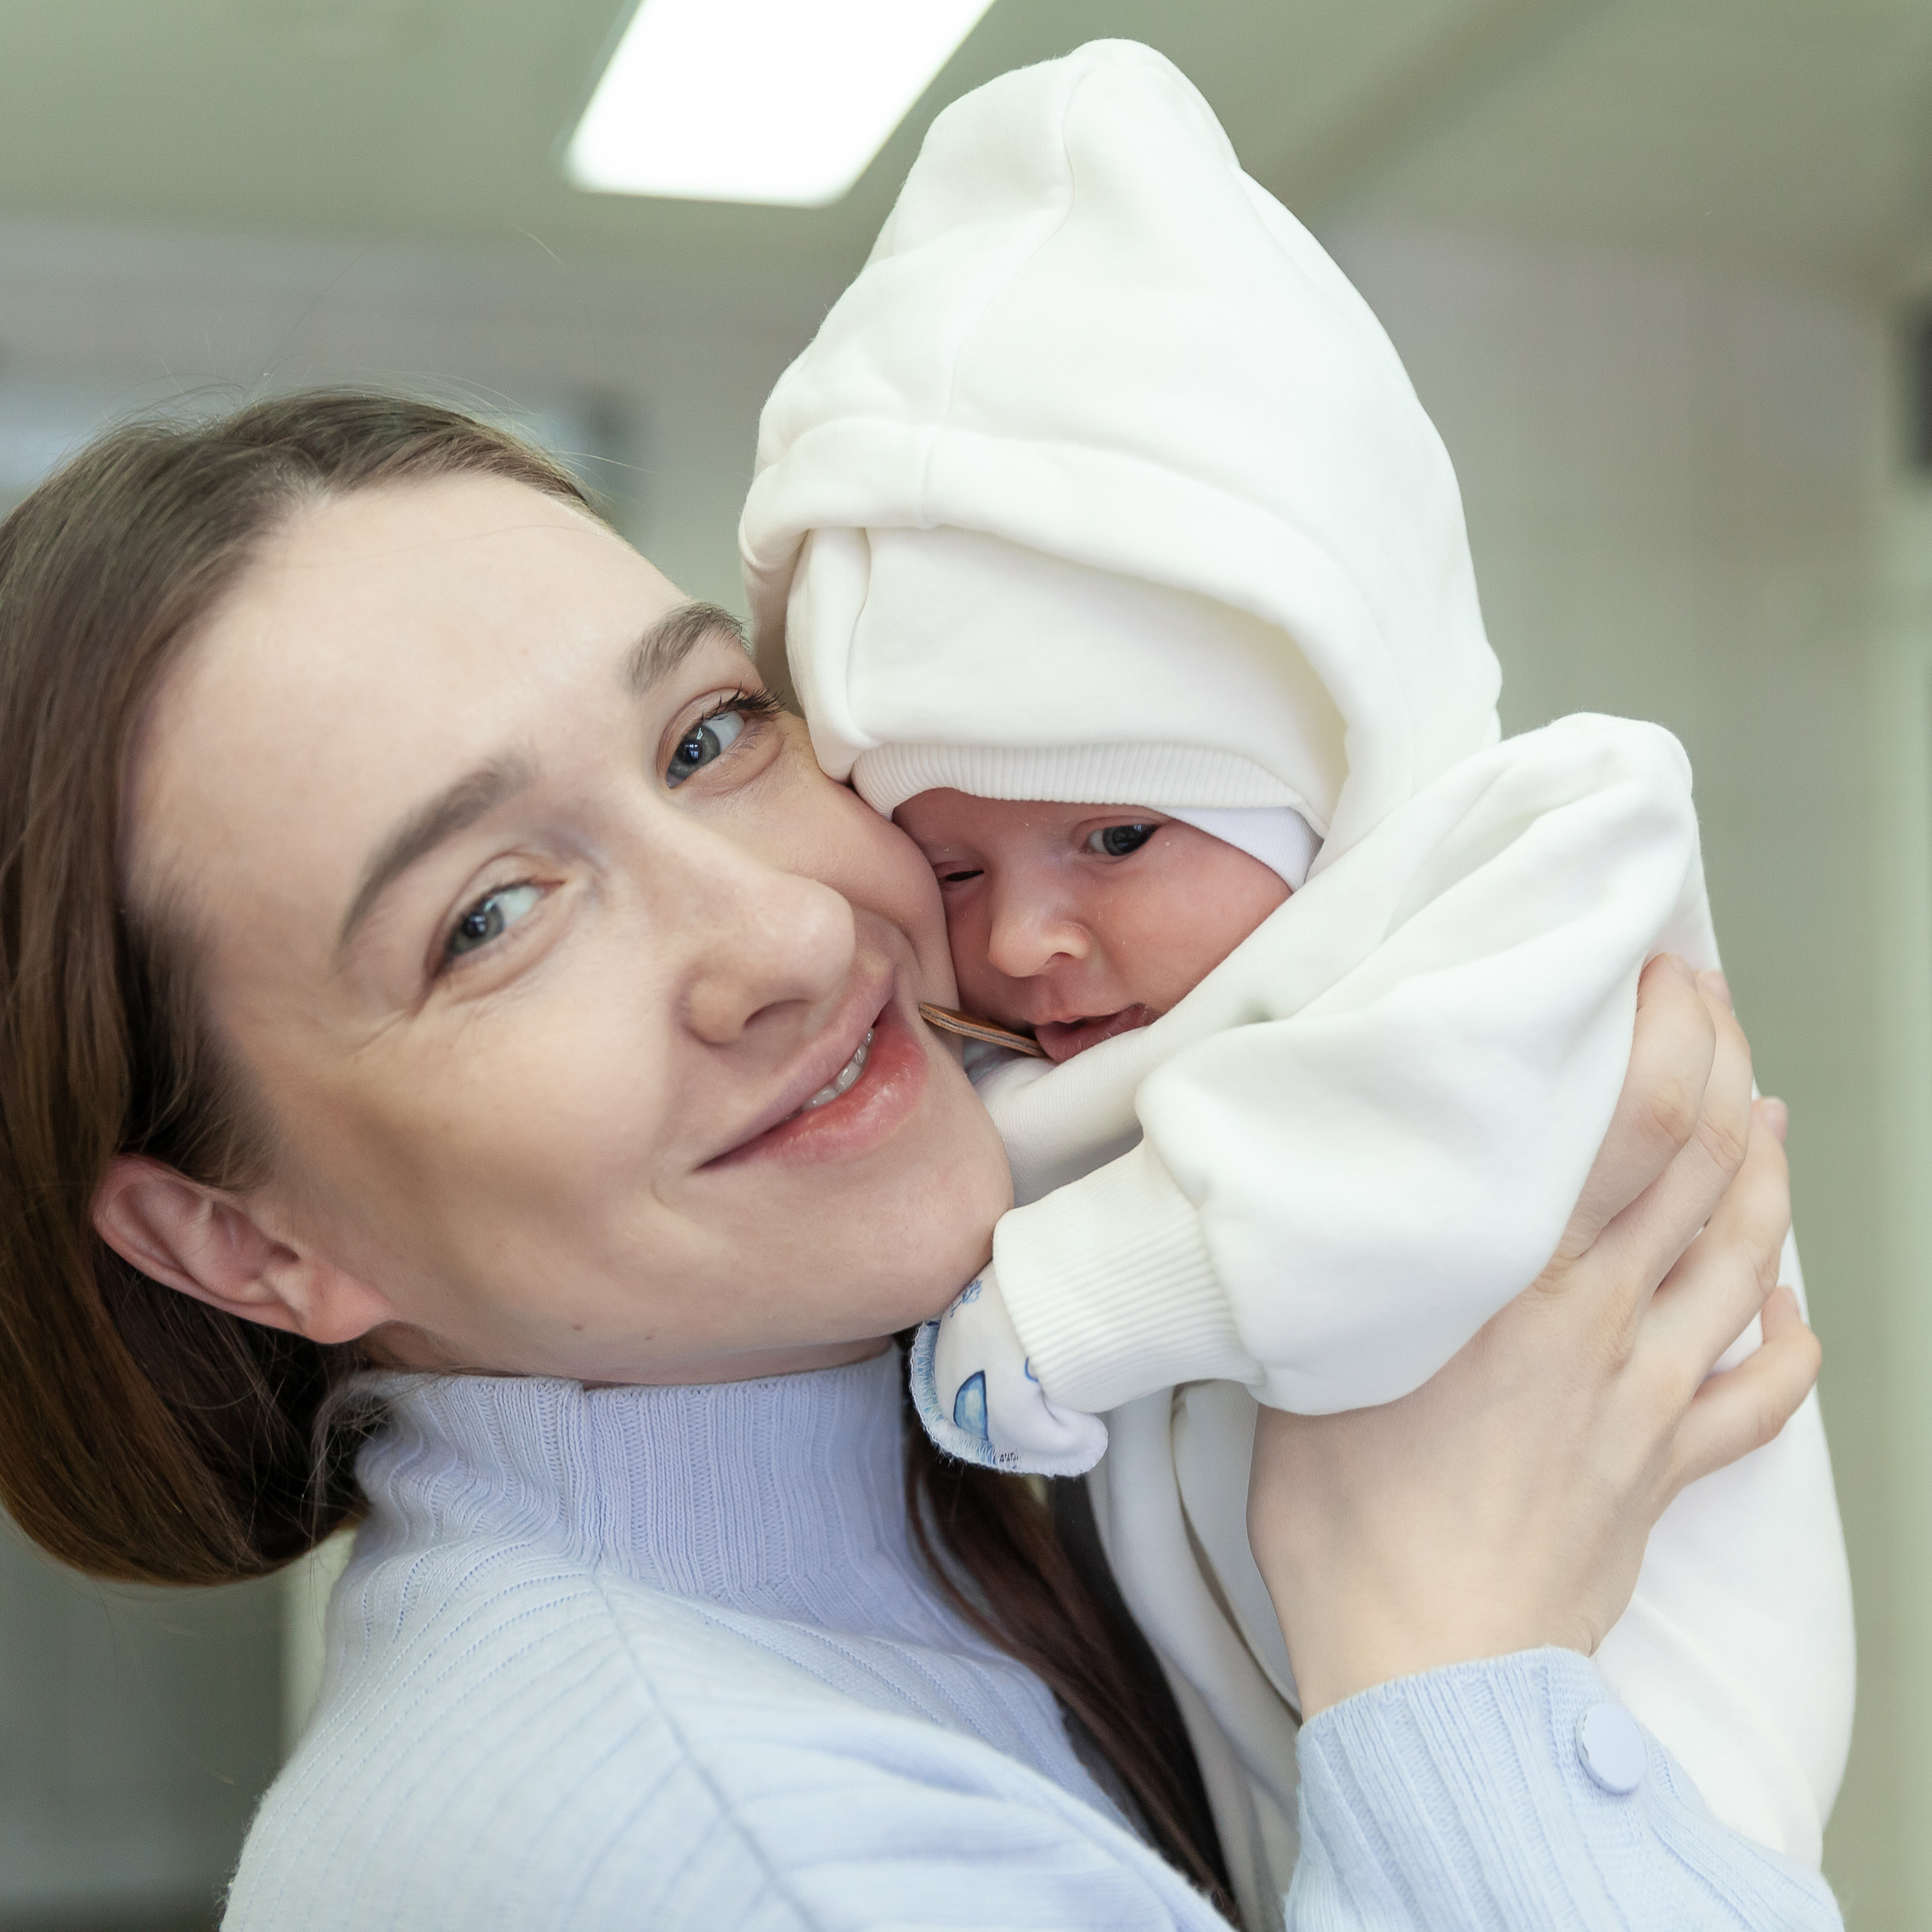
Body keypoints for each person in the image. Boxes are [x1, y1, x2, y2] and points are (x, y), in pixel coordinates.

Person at [0, 392, 1835, 1931]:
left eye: (711, 735)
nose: (790, 935)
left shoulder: (959, 1482)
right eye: (490, 915)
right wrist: (1447, 1654)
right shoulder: (743, 1849)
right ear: (242, 1239)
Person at [738, 40, 1854, 1884]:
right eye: (948, 860)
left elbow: (1408, 1174)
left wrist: (1063, 1304)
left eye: (1118, 835)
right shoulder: (1098, 1027)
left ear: (1328, 770)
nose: (1023, 933)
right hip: (1337, 1741)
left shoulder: (1533, 853)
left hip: (1639, 1749)